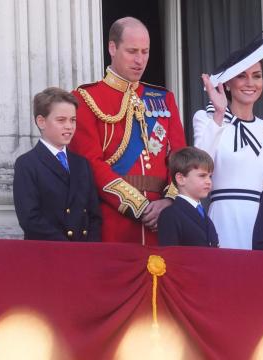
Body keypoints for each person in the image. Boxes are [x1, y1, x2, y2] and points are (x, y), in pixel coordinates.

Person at [69, 17, 186, 245]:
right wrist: (138, 206)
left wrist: (170, 201)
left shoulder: (164, 99)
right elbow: (90, 163)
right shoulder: (86, 98)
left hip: (163, 222)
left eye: (145, 51)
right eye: (132, 51)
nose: (140, 60)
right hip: (114, 221)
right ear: (112, 48)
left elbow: (180, 157)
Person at [194, 36, 263, 250]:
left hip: (262, 220)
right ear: (227, 83)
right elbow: (197, 164)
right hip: (223, 217)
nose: (250, 83)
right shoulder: (207, 119)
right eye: (242, 76)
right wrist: (219, 113)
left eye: (257, 76)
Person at [13, 87, 101, 241]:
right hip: (48, 253)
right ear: (41, 121)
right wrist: (67, 248)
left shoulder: (82, 164)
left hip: (84, 253)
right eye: (61, 120)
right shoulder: (27, 164)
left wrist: (90, 249)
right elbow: (30, 219)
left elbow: (94, 216)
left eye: (73, 120)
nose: (69, 126)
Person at [158, 147, 219, 247]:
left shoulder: (205, 216)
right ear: (181, 179)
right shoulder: (170, 215)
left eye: (210, 176)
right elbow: (170, 257)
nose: (208, 181)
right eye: (202, 176)